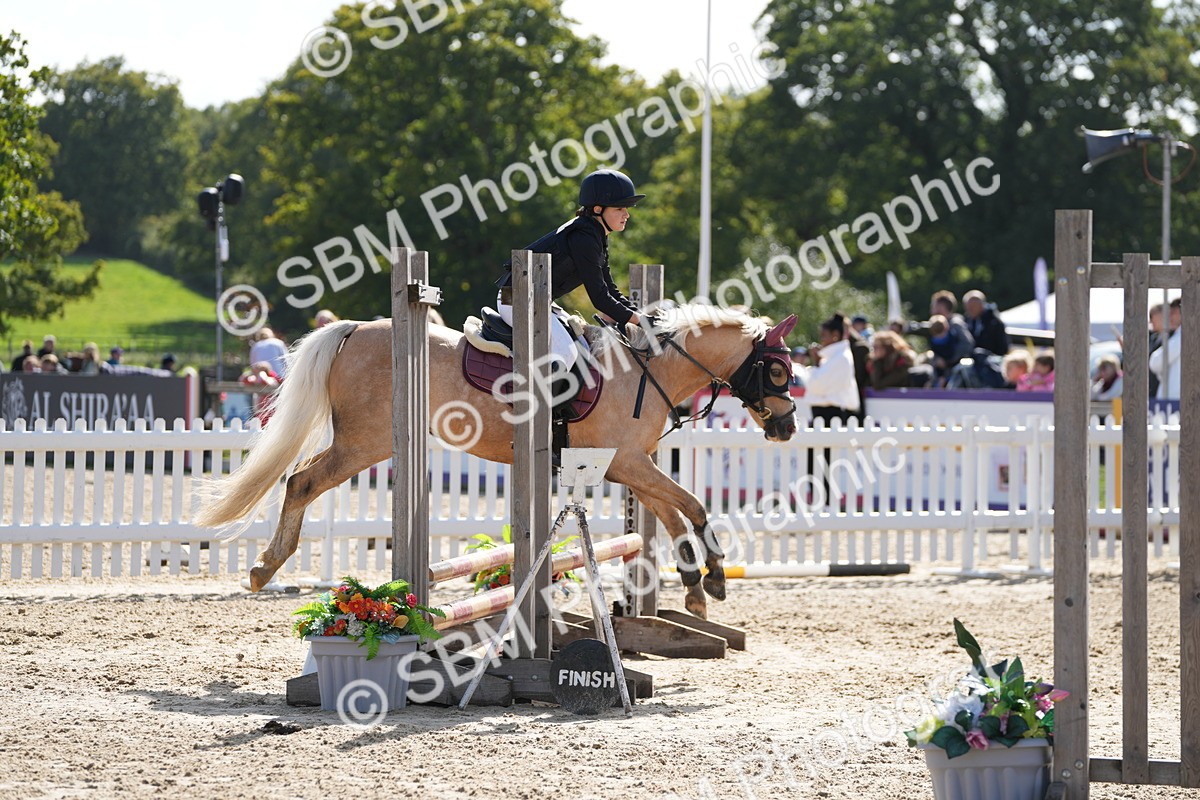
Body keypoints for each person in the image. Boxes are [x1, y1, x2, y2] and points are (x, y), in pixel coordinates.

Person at [494, 168, 643, 376]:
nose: (627, 214)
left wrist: (640, 316)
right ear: (598, 209)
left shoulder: (595, 235)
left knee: (582, 346)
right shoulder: (584, 238)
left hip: (535, 300)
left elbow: (610, 289)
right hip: (517, 299)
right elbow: (600, 299)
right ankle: (532, 407)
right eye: (620, 208)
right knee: (567, 353)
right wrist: (639, 321)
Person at [1149, 298, 1181, 400]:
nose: (1169, 316)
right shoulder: (1178, 335)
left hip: (1174, 398)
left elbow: (1155, 362)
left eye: (1173, 312)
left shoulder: (1183, 336)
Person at [962, 289, 1010, 356]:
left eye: (973, 306)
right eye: (968, 307)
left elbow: (1002, 347)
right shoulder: (966, 321)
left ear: (982, 305)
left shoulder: (994, 322)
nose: (970, 310)